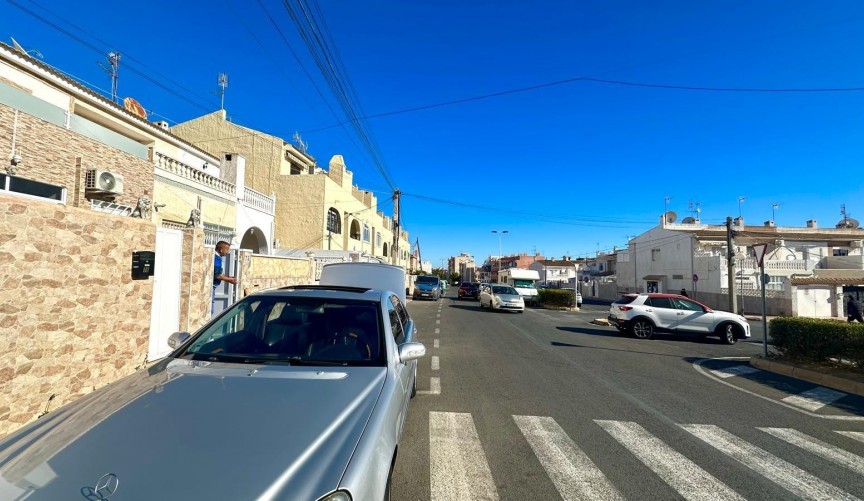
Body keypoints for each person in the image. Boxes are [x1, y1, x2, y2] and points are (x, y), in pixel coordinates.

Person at [213, 241, 237, 314]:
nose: (228, 252)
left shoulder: (218, 258)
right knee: (210, 310)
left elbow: (218, 273)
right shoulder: (216, 259)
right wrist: (229, 280)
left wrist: (228, 277)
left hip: (214, 286)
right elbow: (217, 275)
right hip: (212, 287)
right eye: (227, 250)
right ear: (221, 250)